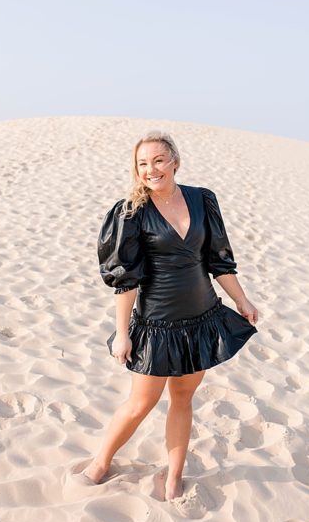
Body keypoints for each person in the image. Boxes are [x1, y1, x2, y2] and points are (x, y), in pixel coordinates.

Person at [83, 131, 257, 500]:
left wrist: (242, 300)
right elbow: (125, 281)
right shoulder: (130, 210)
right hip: (156, 323)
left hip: (202, 318)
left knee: (183, 398)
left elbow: (218, 260)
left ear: (175, 161)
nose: (151, 169)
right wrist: (122, 333)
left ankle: (174, 475)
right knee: (140, 403)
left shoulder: (202, 199)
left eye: (159, 160)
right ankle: (100, 462)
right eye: (143, 163)